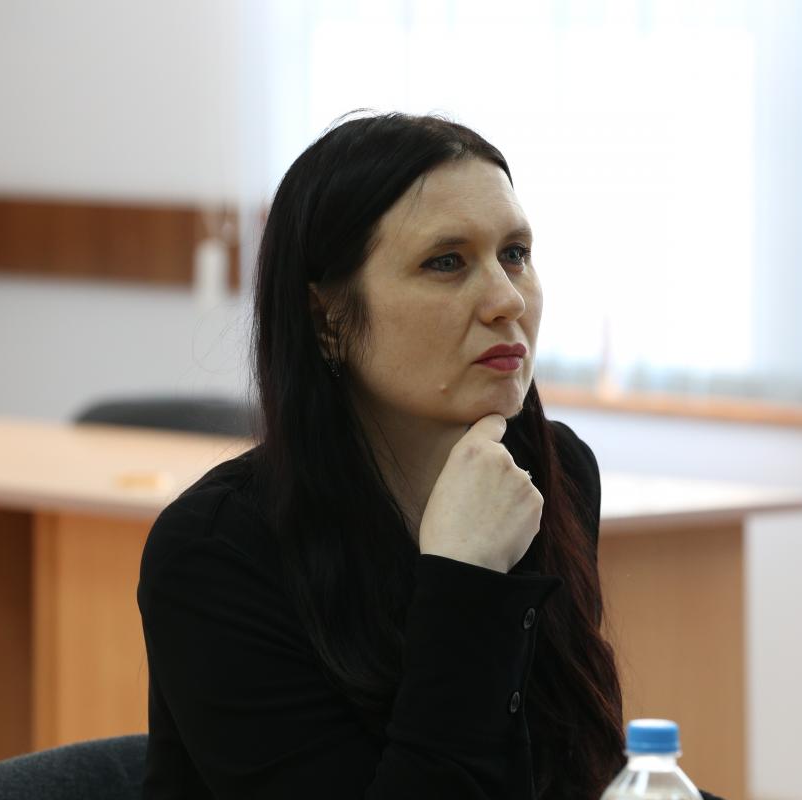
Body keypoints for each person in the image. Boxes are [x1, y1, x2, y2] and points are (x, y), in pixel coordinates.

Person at [137, 112, 724, 800]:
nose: (506, 299)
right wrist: (466, 578)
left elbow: (568, 777)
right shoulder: (215, 553)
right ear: (326, 319)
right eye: (446, 262)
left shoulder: (553, 474)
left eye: (515, 254)